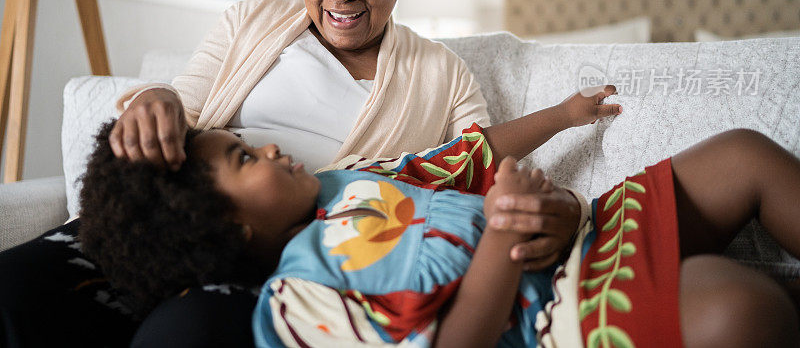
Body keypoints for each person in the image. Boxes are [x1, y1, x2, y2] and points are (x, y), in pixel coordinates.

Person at [0, 0, 583, 347]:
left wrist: (553, 210)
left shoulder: (444, 76)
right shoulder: (252, 20)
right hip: (179, 219)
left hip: (283, 262)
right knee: (19, 287)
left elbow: (474, 172)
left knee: (183, 331)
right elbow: (183, 101)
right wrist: (156, 100)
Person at [78, 112, 800, 346]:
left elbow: (469, 157)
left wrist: (556, 147)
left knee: (742, 154)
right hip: (556, 320)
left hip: (590, 242)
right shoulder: (299, 301)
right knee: (740, 307)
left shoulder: (351, 177)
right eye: (242, 158)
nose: (265, 146)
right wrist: (501, 237)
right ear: (226, 231)